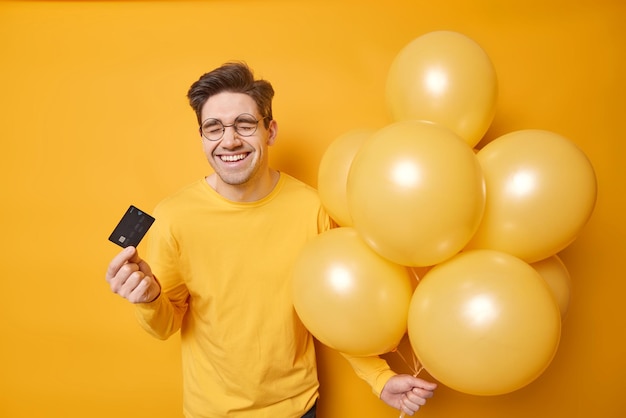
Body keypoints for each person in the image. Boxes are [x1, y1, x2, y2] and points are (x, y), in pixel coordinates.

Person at [105, 62, 436, 418]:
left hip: (298, 409)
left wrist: (380, 378)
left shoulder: (312, 209)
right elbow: (165, 326)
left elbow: (337, 311)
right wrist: (150, 297)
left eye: (244, 125)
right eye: (213, 128)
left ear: (270, 131)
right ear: (201, 137)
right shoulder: (173, 217)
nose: (229, 140)